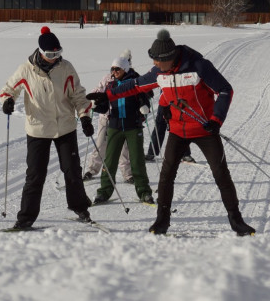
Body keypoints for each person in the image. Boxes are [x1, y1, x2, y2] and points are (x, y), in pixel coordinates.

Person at [87, 29, 256, 236]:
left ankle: (236, 220)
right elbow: (135, 86)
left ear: (169, 58)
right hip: (178, 130)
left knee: (221, 174)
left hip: (204, 129)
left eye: (158, 60)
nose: (155, 64)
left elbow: (225, 90)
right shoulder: (160, 72)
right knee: (166, 176)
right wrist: (109, 95)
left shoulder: (199, 67)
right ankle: (162, 220)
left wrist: (216, 119)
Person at [0, 26, 95, 230]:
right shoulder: (26, 69)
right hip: (38, 128)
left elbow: (78, 95)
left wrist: (85, 117)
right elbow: (9, 89)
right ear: (41, 53)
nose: (55, 57)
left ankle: (80, 208)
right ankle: (25, 217)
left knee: (72, 170)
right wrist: (7, 100)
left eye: (58, 53)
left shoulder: (66, 67)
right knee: (35, 174)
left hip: (65, 127)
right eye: (51, 54)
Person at [91, 56, 154, 205]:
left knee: (137, 161)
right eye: (112, 69)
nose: (114, 71)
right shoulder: (111, 85)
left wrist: (144, 107)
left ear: (125, 69)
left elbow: (145, 98)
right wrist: (96, 106)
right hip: (115, 126)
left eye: (117, 68)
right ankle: (104, 192)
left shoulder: (134, 83)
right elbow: (106, 106)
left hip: (133, 126)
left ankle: (144, 192)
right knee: (110, 161)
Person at [84, 49, 133, 184]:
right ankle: (92, 169)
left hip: (123, 117)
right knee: (100, 143)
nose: (115, 71)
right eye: (113, 68)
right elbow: (97, 90)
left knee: (124, 147)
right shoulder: (107, 78)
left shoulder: (131, 78)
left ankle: (127, 174)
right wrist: (94, 99)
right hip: (106, 117)